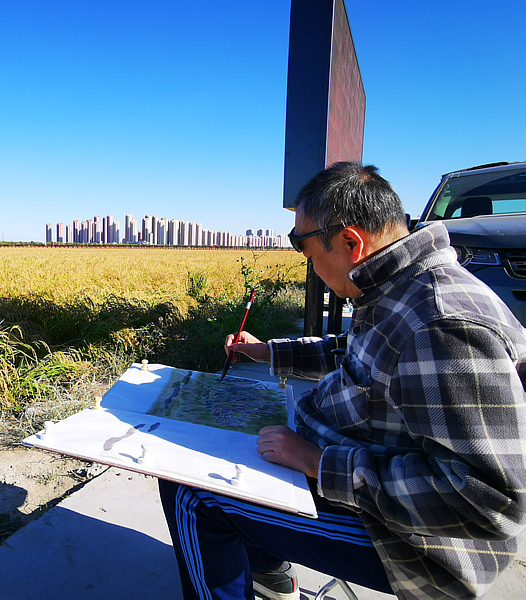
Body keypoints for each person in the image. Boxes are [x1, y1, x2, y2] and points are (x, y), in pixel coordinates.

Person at [158, 162, 526, 600]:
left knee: (192, 493)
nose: (313, 271)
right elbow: (351, 352)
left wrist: (317, 463)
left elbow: (488, 500)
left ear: (351, 242)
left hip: (416, 544)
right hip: (356, 471)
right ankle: (269, 573)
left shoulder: (440, 325)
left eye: (311, 257)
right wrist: (269, 351)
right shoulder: (396, 287)